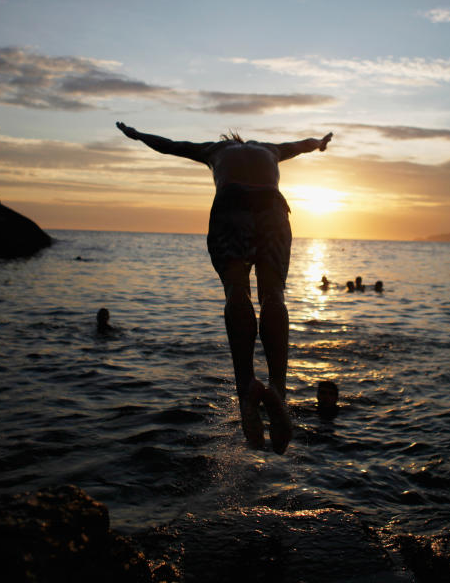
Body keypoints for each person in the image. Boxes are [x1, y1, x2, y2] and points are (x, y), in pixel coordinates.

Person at [116, 121, 332, 454]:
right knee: (273, 294)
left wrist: (138, 135)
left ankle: (246, 387)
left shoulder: (214, 150)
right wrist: (320, 143)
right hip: (273, 206)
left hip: (231, 204)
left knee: (237, 292)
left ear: (228, 141)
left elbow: (170, 143)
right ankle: (277, 386)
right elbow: (303, 143)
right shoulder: (271, 149)